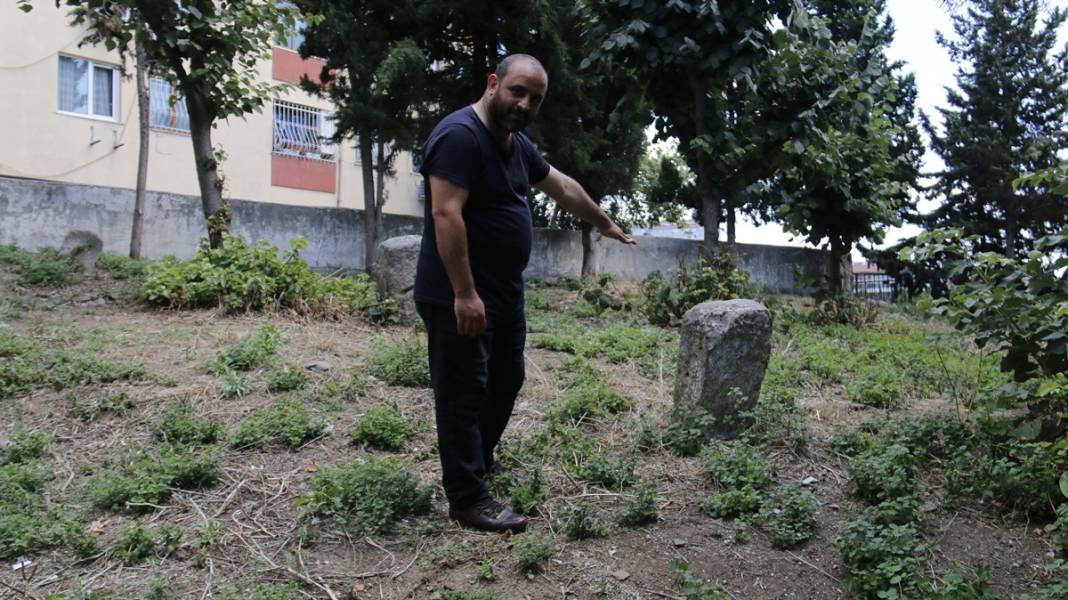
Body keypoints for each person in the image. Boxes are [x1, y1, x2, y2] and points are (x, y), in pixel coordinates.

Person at [414, 54, 636, 533]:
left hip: (503, 295)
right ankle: (468, 498)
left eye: (535, 98)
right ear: (493, 83)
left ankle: (479, 463)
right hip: (460, 293)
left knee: (504, 381)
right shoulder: (460, 136)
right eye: (517, 91)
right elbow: (445, 216)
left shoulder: (514, 143)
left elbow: (560, 185)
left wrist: (604, 223)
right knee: (462, 394)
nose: (525, 104)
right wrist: (465, 293)